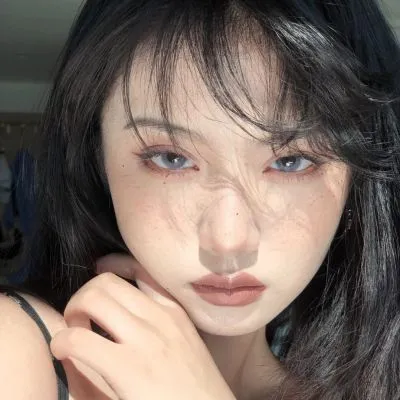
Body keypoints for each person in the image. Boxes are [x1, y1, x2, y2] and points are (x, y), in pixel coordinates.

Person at [1, 0, 399, 398]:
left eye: (291, 162)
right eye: (170, 158)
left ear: (357, 177)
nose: (228, 241)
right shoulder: (21, 350)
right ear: (97, 158)